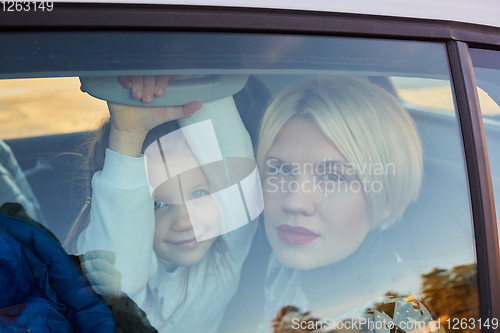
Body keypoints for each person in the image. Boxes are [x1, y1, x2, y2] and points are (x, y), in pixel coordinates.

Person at [64, 75, 259, 333]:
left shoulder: (228, 245)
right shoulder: (103, 248)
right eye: (156, 204)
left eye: (199, 194)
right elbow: (119, 283)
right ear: (120, 206)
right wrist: (127, 136)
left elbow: (235, 170)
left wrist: (189, 73)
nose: (185, 221)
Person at [255, 76, 425, 331]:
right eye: (280, 169)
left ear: (385, 199)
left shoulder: (396, 321)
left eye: (333, 176)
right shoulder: (286, 262)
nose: (294, 201)